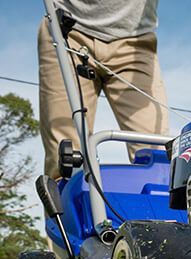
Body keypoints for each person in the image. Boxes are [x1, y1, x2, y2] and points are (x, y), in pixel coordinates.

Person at [38, 0, 168, 179]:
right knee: (66, 157)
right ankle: (69, 205)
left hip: (137, 42)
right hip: (67, 30)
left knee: (157, 157)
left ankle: (150, 206)